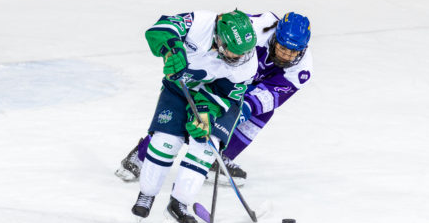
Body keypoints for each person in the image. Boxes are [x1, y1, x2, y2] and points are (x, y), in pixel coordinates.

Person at [116, 12, 312, 187]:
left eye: (293, 52)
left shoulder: (302, 69)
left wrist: (242, 109)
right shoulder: (256, 29)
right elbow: (224, 34)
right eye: (282, 47)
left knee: (263, 113)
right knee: (184, 109)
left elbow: (272, 95)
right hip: (222, 75)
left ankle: (219, 159)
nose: (286, 55)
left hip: (249, 86)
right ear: (275, 36)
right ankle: (141, 154)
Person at [130, 10, 258, 223]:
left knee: (205, 147)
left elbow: (229, 95)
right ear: (219, 38)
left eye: (243, 53)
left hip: (219, 99)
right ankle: (147, 193)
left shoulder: (246, 63)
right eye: (231, 51)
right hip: (180, 87)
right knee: (165, 142)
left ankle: (179, 204)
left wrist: (205, 110)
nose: (239, 58)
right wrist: (173, 49)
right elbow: (162, 28)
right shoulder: (200, 23)